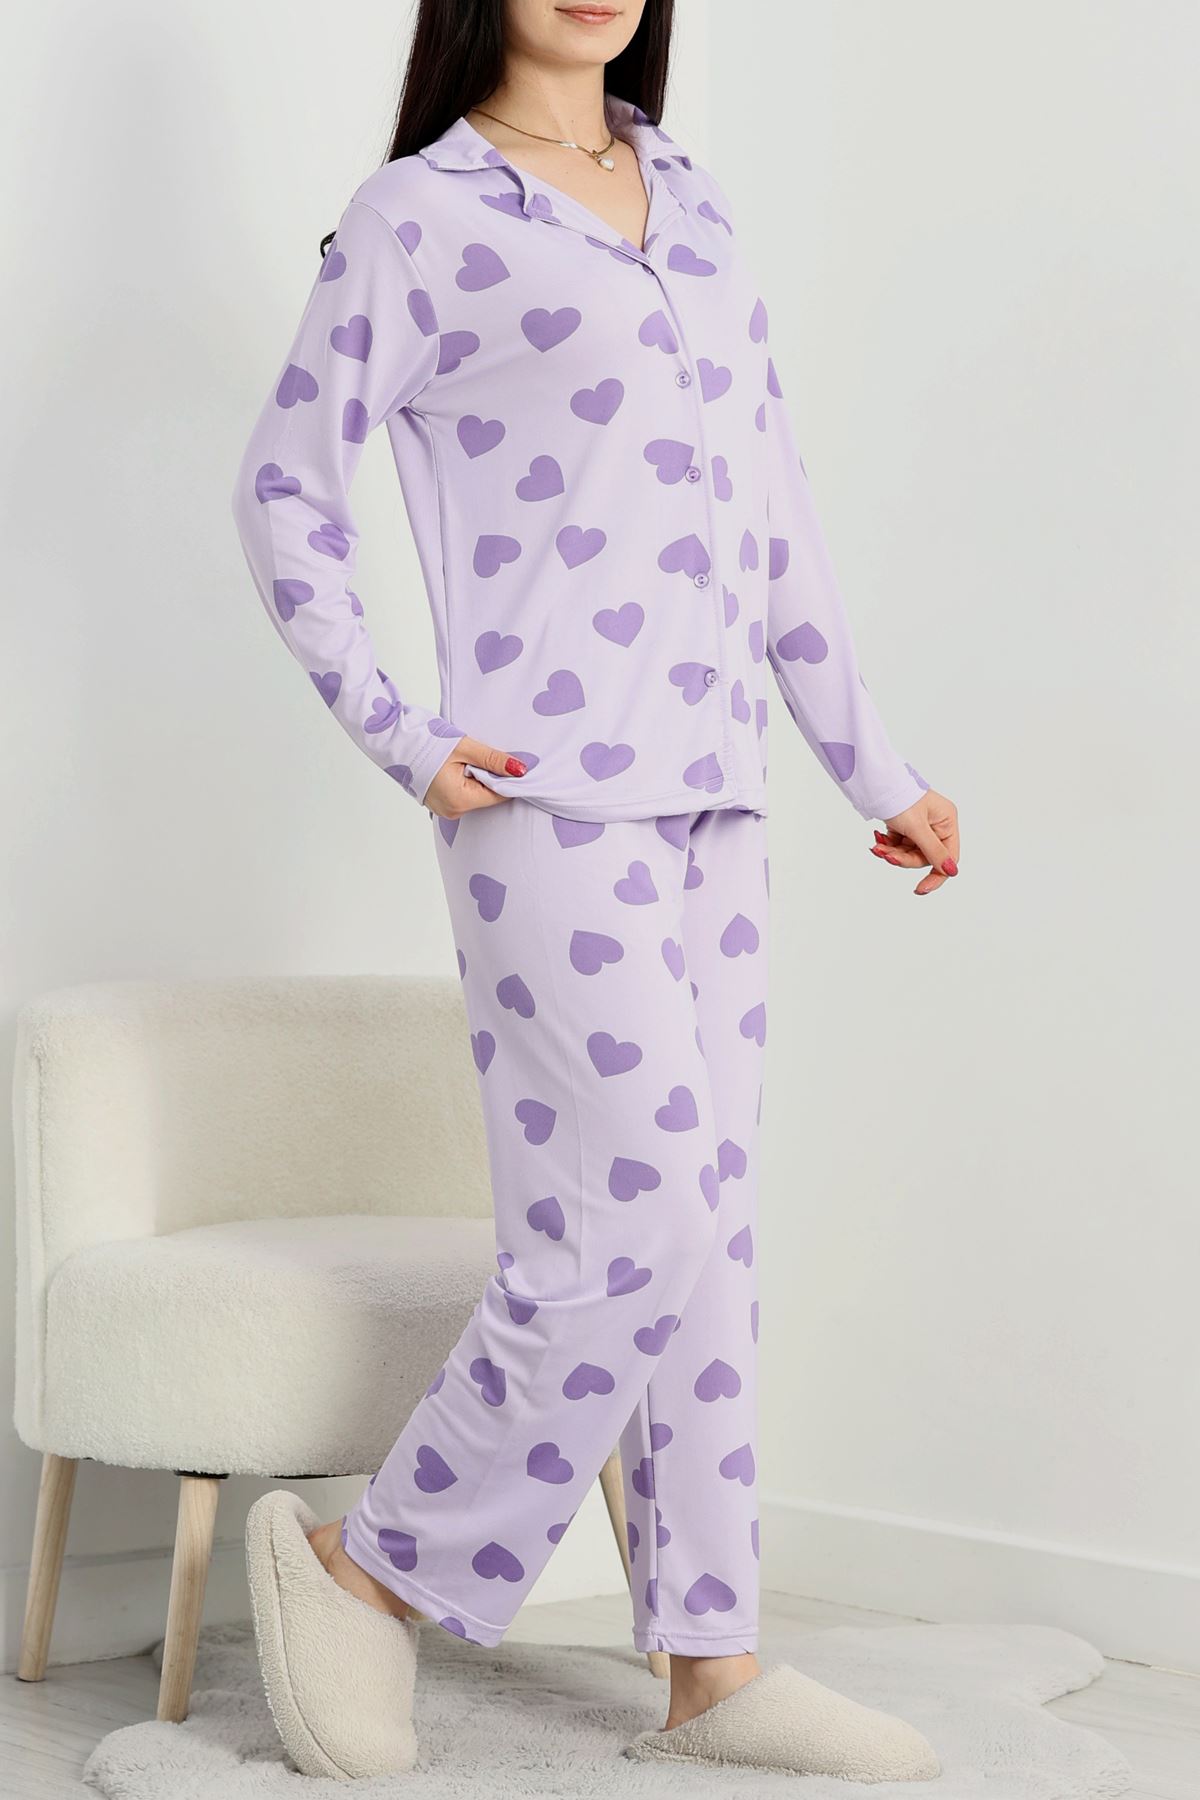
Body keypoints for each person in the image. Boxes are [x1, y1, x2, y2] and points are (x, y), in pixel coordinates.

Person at [231, 0, 957, 1782]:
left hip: (718, 794)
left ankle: (712, 1662)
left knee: (707, 1236)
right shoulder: (419, 216)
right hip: (543, 799)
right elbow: (283, 488)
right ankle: (366, 1567)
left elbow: (773, 509)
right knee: (630, 1230)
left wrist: (876, 767)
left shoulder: (689, 196)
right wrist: (405, 734)